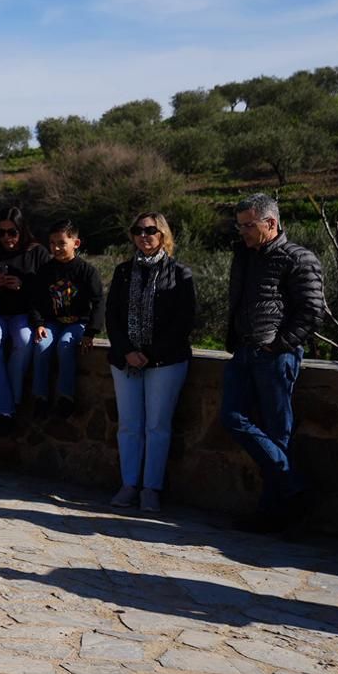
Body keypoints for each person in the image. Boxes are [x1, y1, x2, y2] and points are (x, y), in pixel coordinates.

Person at [222, 193, 325, 533]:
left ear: (271, 223)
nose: (244, 233)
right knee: (234, 418)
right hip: (244, 352)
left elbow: (311, 312)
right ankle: (292, 488)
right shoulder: (244, 255)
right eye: (240, 226)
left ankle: (275, 514)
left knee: (276, 433)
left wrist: (278, 345)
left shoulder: (298, 258)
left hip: (275, 356)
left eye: (249, 225)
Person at [105, 211, 196, 513]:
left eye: (151, 230)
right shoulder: (122, 272)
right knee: (129, 425)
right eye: (138, 230)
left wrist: (151, 354)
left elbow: (183, 322)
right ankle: (129, 484)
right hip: (126, 360)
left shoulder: (180, 274)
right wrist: (128, 350)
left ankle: (151, 488)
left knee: (157, 426)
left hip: (166, 361)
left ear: (163, 235)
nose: (144, 236)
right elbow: (112, 316)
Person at [0, 207, 47, 433]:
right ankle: (5, 408)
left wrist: (22, 286)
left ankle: (8, 403)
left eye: (12, 232)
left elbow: (46, 287)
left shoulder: (36, 253)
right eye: (1, 232)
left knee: (24, 343)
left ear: (21, 230)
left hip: (24, 313)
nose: (7, 238)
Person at [28, 219, 104, 419]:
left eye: (62, 243)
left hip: (78, 322)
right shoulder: (45, 270)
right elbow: (35, 301)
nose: (56, 248)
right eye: (52, 243)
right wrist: (39, 324)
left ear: (75, 243)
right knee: (42, 346)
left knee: (65, 345)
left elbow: (98, 302)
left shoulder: (87, 271)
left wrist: (90, 332)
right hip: (51, 322)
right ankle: (40, 397)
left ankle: (65, 397)